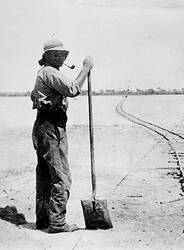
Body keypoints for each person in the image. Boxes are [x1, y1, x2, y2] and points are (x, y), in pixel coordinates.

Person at [30, 38, 94, 233]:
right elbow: (73, 89)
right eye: (56, 54)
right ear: (46, 56)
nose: (61, 57)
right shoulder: (49, 72)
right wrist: (86, 68)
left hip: (43, 126)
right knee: (61, 177)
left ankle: (43, 220)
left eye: (63, 55)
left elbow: (35, 97)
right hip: (51, 128)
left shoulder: (45, 73)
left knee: (44, 176)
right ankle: (57, 223)